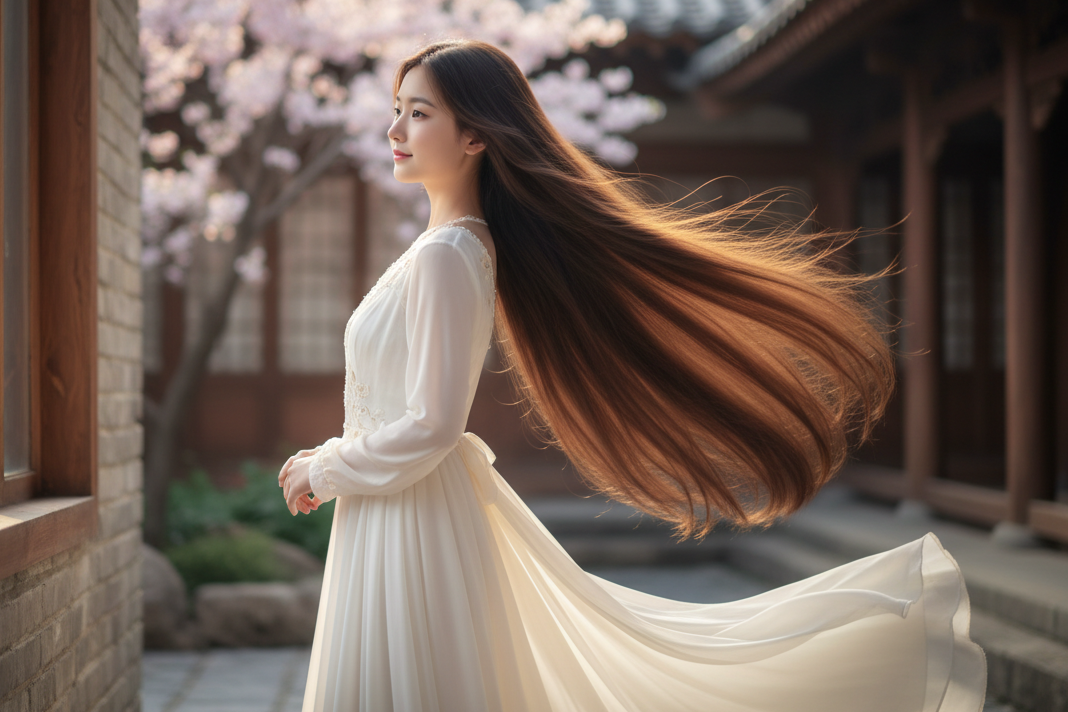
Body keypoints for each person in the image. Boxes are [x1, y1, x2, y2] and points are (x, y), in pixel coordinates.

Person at [277, 38, 987, 712]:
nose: (396, 127)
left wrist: (324, 467)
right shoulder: (442, 249)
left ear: (476, 136)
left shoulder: (447, 255)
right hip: (397, 512)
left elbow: (433, 425)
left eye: (419, 112)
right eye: (397, 109)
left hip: (410, 518)